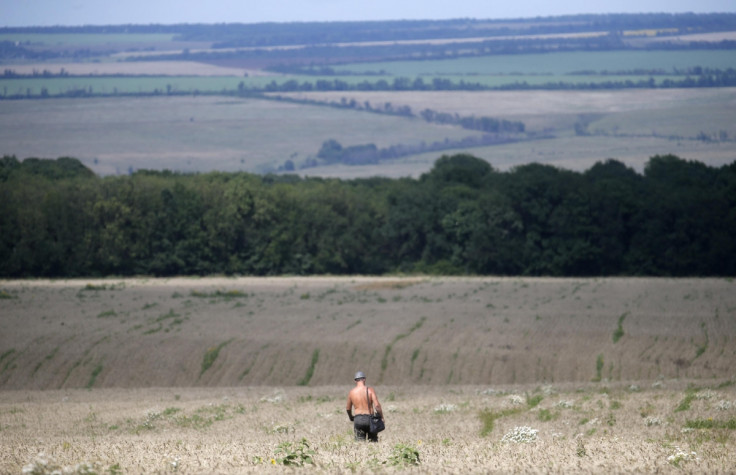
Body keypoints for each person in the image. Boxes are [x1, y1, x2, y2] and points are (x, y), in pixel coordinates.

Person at [346, 371, 384, 442]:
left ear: (355, 381)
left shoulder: (351, 392)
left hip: (358, 419)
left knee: (359, 444)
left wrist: (351, 417)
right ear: (364, 379)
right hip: (370, 419)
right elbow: (377, 406)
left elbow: (348, 408)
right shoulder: (370, 390)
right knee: (373, 442)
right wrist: (382, 417)